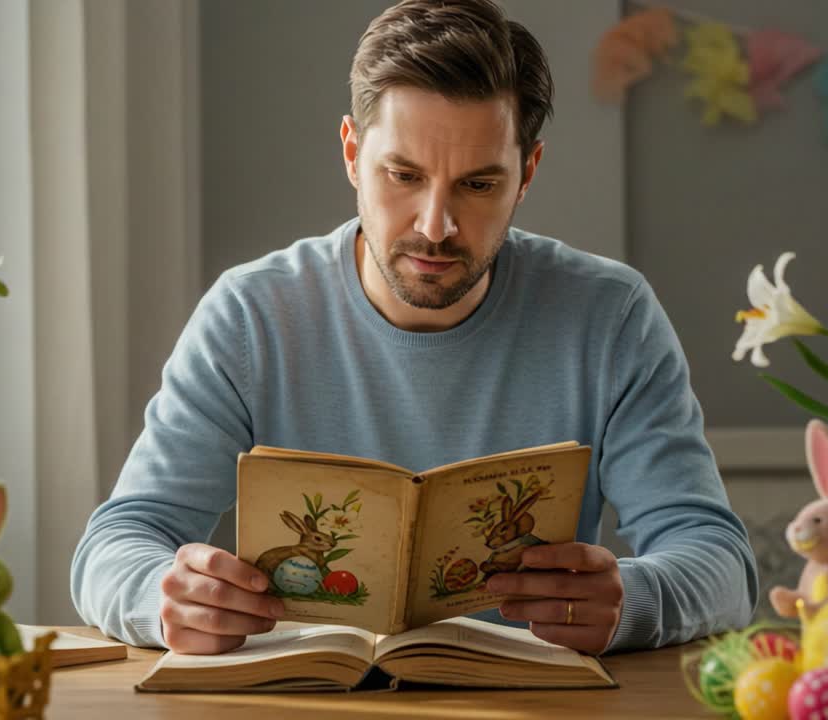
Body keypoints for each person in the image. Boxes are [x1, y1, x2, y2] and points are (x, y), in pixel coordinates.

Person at [71, 0, 757, 656]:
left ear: (528, 174)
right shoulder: (249, 316)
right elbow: (117, 544)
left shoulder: (611, 317)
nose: (436, 225)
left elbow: (719, 562)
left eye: (479, 185)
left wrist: (632, 598)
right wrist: (162, 597)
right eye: (402, 174)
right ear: (351, 153)